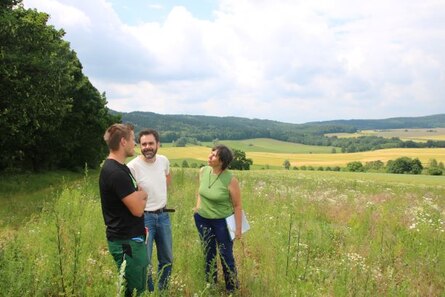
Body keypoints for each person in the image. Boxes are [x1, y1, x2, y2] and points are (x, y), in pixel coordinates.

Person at [99, 123, 149, 297]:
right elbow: (137, 210)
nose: (134, 144)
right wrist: (143, 195)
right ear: (123, 142)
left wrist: (139, 196)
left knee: (136, 288)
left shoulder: (122, 168)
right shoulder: (115, 172)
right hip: (126, 242)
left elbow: (137, 197)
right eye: (132, 140)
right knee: (135, 291)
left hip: (131, 239)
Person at [127, 128, 173, 292]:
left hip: (163, 216)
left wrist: (161, 194)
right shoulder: (132, 167)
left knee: (167, 258)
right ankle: (150, 292)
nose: (147, 147)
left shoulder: (164, 161)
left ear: (158, 144)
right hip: (143, 219)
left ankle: (163, 291)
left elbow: (167, 175)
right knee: (144, 261)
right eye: (144, 144)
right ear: (140, 145)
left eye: (151, 143)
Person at [193, 144, 242, 293]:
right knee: (208, 252)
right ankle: (211, 284)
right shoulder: (203, 171)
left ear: (222, 161)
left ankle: (231, 288)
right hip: (202, 219)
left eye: (214, 155)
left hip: (222, 222)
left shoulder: (230, 179)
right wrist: (197, 208)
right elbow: (200, 192)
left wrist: (238, 229)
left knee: (226, 254)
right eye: (211, 153)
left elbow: (237, 205)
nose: (210, 156)